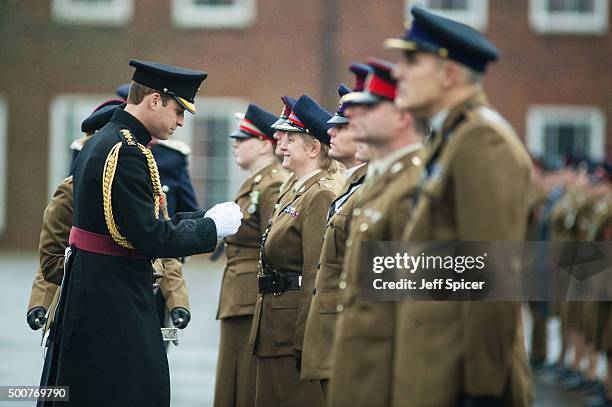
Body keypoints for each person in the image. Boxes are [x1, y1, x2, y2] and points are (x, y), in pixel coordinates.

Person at [38, 60, 243, 407]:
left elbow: (136, 221)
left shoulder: (106, 141)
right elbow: (150, 238)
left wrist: (201, 216)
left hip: (97, 286)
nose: (180, 121)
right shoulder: (127, 152)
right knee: (131, 390)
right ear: (154, 100)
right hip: (112, 295)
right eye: (178, 110)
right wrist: (211, 228)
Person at [386, 6, 533, 405]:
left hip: (458, 383)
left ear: (450, 74)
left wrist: (483, 390)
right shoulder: (449, 139)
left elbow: (494, 274)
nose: (398, 72)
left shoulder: (482, 141)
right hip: (433, 369)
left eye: (412, 60)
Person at [327, 58, 426, 406]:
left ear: (401, 116)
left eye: (368, 107)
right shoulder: (380, 181)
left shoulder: (414, 185)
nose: (353, 116)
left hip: (386, 371)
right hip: (360, 358)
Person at [248, 95, 343, 407]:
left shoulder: (319, 195)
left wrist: (306, 338)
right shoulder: (298, 189)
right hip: (274, 328)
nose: (281, 144)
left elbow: (315, 273)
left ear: (314, 148)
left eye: (291, 139)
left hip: (290, 335)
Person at [301, 66, 370, 396]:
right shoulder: (352, 186)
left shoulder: (369, 188)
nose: (331, 131)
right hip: (333, 333)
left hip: (350, 339)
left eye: (344, 125)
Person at [213, 103, 287, 407]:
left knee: (243, 380)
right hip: (238, 292)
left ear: (264, 145)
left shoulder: (272, 184)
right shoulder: (256, 182)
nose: (235, 144)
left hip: (250, 293)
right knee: (233, 375)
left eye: (243, 137)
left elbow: (275, 245)